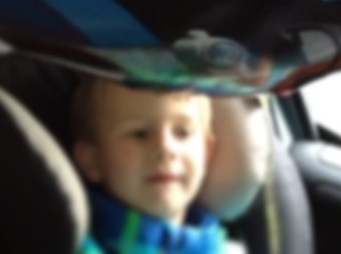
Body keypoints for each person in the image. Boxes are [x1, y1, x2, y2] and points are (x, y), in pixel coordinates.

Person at [70, 77, 226, 253]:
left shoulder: (221, 245)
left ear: (206, 152)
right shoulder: (75, 244)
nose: (165, 147)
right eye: (140, 134)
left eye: (182, 133)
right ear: (93, 160)